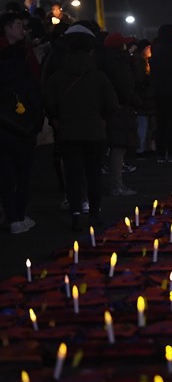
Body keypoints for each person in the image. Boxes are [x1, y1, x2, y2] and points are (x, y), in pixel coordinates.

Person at [44, 24, 118, 231]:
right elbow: (111, 104)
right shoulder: (98, 76)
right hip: (94, 130)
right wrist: (101, 118)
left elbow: (48, 101)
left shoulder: (58, 76)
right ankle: (95, 213)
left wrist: (57, 118)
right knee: (93, 173)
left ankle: (76, 212)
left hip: (68, 131)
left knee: (73, 173)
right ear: (90, 50)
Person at [0, 12, 44, 234]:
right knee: (22, 174)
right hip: (22, 124)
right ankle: (18, 216)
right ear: (6, 28)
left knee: (6, 176)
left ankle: (13, 217)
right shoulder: (23, 57)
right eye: (18, 25)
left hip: (5, 125)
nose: (22, 30)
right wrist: (37, 119)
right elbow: (34, 88)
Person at [101, 32, 141, 196]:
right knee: (119, 146)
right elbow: (125, 86)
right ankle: (116, 185)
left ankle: (115, 184)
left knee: (115, 147)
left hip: (111, 107)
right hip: (121, 108)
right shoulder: (120, 62)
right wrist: (136, 100)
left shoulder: (104, 60)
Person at [150, 24, 172, 162]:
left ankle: (160, 154)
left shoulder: (157, 48)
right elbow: (170, 69)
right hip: (170, 91)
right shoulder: (166, 49)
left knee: (162, 123)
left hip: (159, 91)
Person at [131, 39, 155, 156]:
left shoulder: (143, 61)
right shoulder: (139, 62)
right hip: (143, 97)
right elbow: (139, 80)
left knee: (146, 123)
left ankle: (145, 147)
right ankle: (140, 148)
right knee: (142, 123)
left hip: (145, 97)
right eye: (148, 48)